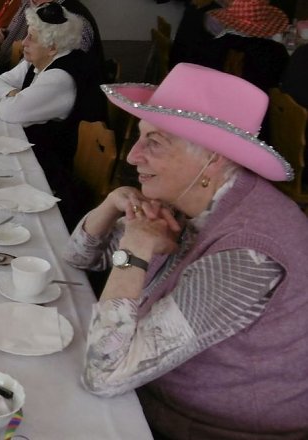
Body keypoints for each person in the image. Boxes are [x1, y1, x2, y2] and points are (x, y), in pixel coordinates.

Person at [64, 63, 308, 437]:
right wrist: (110, 206)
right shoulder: (186, 196)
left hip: (207, 428)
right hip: (146, 396)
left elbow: (103, 374)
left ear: (213, 158)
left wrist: (134, 249)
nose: (133, 157)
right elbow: (78, 259)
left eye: (155, 143)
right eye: (140, 138)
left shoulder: (250, 254)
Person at [0, 2, 105, 226]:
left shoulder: (60, 76)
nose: (24, 42)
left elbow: (8, 111)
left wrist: (15, 98)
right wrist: (16, 93)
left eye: (32, 37)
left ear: (52, 47)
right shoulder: (38, 60)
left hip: (54, 174)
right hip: (41, 154)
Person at [0, 0, 102, 73]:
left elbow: (72, 68)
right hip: (15, 70)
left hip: (69, 94)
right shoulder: (33, 4)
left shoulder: (71, 18)